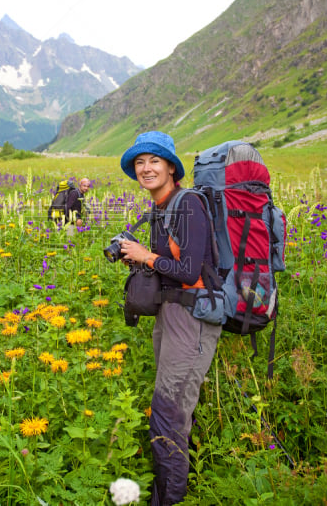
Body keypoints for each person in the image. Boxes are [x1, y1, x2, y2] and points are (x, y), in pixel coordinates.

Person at [117, 131, 222, 506]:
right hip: (172, 312)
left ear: (171, 167)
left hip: (192, 315)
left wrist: (147, 257)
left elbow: (190, 268)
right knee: (170, 409)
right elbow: (173, 265)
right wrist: (142, 258)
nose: (145, 168)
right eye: (139, 163)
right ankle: (170, 490)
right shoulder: (161, 208)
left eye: (154, 161)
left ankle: (168, 500)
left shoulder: (187, 203)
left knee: (168, 413)